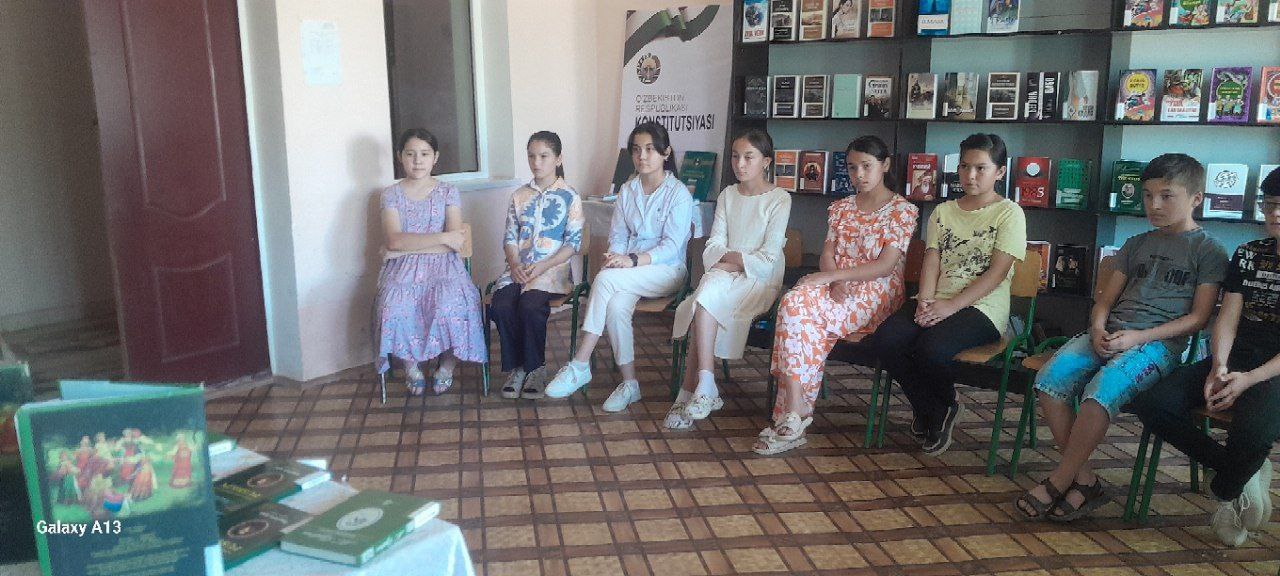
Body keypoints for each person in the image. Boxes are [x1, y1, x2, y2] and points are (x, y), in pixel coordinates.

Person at [1017, 153, 1227, 522]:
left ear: (1196, 198)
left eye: (1166, 196)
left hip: (1158, 345)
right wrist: (1099, 329)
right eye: (1147, 196)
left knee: (1100, 391)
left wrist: (1138, 338)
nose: (1154, 205)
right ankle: (1084, 480)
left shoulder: (1208, 251)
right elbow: (1104, 302)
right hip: (1111, 332)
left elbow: (1197, 319)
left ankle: (1061, 478)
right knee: (1050, 381)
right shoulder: (1136, 244)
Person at [1129, 166, 1280, 545]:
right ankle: (1243, 472)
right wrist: (1220, 366)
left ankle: (1227, 491)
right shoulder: (1249, 254)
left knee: (1251, 431)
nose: (1275, 213)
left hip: (1274, 369)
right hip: (1237, 355)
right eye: (1270, 204)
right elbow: (1227, 318)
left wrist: (1248, 380)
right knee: (1153, 404)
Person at [754, 136, 917, 454]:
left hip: (875, 293)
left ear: (885, 165)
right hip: (836, 287)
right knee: (794, 304)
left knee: (803, 317)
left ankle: (791, 417)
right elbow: (828, 254)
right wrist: (832, 280)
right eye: (853, 168)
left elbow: (885, 266)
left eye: (867, 166)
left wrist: (834, 278)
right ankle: (795, 413)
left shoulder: (902, 211)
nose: (859, 175)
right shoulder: (841, 208)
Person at [866, 133, 1027, 457]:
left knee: (931, 348)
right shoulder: (943, 211)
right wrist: (926, 301)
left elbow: (997, 273)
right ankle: (936, 408)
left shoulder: (1009, 213)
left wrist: (950, 306)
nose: (970, 175)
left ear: (1000, 172)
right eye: (964, 166)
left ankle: (936, 409)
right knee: (886, 339)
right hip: (936, 299)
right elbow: (932, 259)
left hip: (982, 307)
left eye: (980, 168)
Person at [545, 122, 694, 410]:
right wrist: (616, 256)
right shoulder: (628, 190)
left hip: (666, 271)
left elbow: (671, 246)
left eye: (650, 149)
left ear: (666, 153)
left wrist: (631, 261)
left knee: (604, 280)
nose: (642, 156)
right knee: (614, 306)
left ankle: (580, 363)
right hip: (629, 272)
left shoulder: (678, 193)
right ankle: (629, 384)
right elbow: (619, 236)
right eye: (636, 150)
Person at [665, 130, 792, 429]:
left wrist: (732, 259)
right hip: (724, 273)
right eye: (735, 156)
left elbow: (768, 259)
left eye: (749, 157)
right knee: (706, 295)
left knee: (704, 301)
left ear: (766, 162)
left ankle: (688, 391)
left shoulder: (779, 199)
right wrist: (733, 260)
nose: (740, 164)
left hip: (758, 281)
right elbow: (712, 247)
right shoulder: (727, 195)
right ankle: (705, 383)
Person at [375, 128, 486, 395]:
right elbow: (394, 240)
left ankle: (446, 366)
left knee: (454, 304)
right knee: (395, 305)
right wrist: (441, 238)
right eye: (410, 154)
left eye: (424, 154)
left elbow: (455, 241)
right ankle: (410, 366)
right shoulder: (390, 195)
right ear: (400, 156)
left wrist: (404, 248)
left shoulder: (448, 192)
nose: (417, 161)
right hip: (402, 270)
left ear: (435, 157)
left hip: (445, 265)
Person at [491, 131, 584, 399]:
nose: (536, 162)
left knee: (530, 306)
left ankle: (536, 368)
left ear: (558, 158)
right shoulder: (519, 196)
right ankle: (518, 368)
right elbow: (510, 237)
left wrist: (544, 266)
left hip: (552, 271)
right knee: (501, 304)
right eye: (532, 156)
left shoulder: (570, 196)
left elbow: (573, 243)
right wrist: (514, 264)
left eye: (544, 156)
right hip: (520, 269)